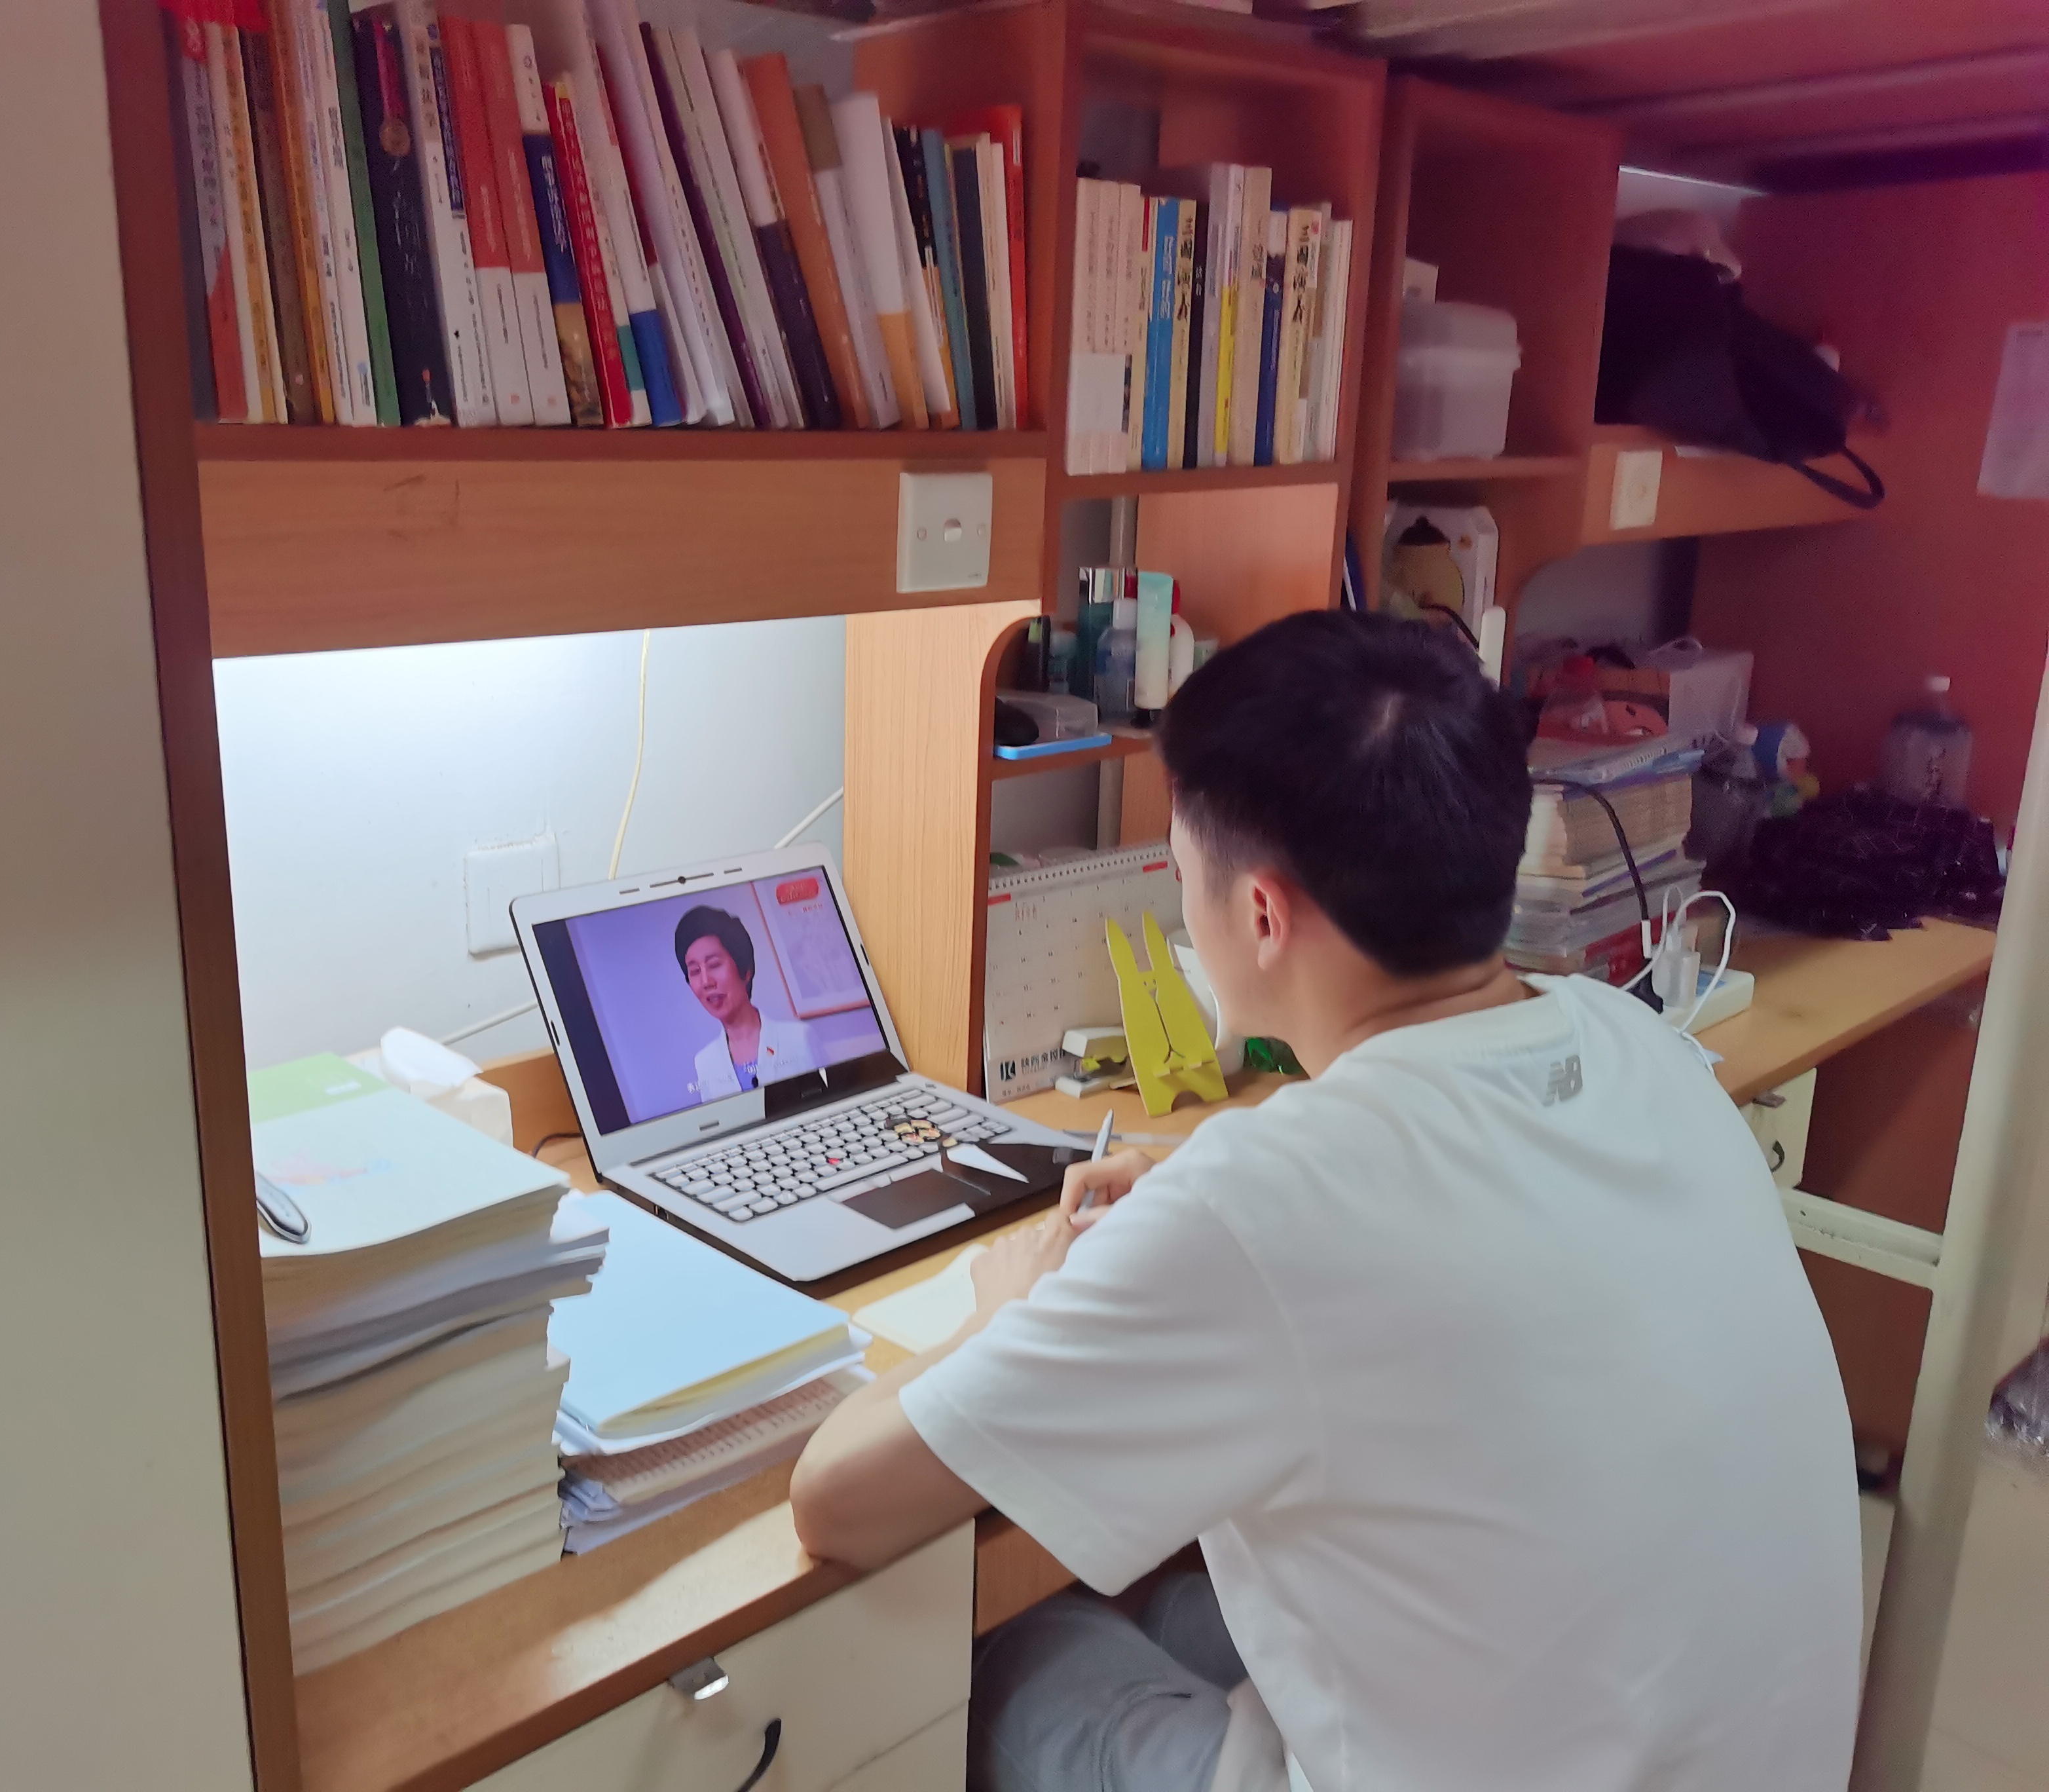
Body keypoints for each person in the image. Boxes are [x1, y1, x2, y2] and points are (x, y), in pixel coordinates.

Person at [790, 611, 1861, 1792]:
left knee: (1027, 1649)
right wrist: (1206, 1211)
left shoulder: (1262, 1206)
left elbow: (837, 1502)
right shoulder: (1632, 1039)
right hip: (1745, 1755)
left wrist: (1003, 1314)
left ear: (1259, 914)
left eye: (1182, 873)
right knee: (1177, 1608)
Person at [673, 905, 817, 1100]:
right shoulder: (704, 1063)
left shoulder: (799, 1038)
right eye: (695, 971)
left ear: (745, 970)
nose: (706, 982)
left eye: (714, 965)